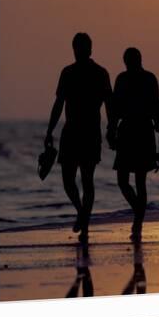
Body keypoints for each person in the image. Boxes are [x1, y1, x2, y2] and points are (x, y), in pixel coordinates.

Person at [45, 33, 113, 242]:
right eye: (78, 47)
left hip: (89, 132)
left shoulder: (100, 73)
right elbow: (58, 104)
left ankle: (84, 222)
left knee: (86, 179)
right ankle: (82, 213)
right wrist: (49, 131)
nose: (81, 51)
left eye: (84, 47)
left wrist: (111, 128)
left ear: (90, 49)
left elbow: (109, 104)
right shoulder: (67, 73)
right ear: (74, 49)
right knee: (68, 180)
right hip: (72, 132)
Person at [109, 47, 159, 241]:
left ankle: (138, 221)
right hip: (129, 131)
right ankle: (138, 213)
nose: (129, 64)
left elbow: (156, 105)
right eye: (128, 61)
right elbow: (115, 109)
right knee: (123, 181)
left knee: (138, 181)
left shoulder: (148, 78)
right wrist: (111, 130)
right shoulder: (122, 79)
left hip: (141, 130)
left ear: (138, 60)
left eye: (131, 60)